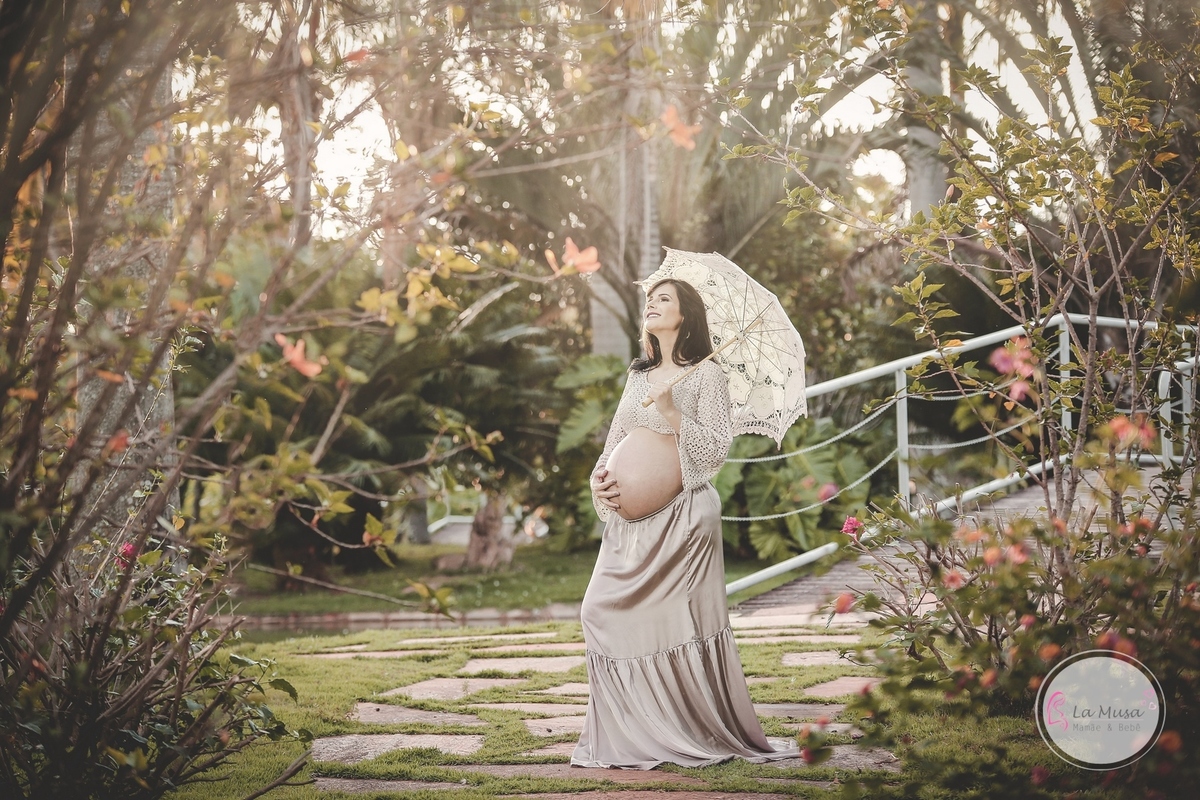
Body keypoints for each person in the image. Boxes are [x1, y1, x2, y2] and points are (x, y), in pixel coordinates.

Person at [571, 278, 799, 770]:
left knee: (679, 623)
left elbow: (716, 449)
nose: (652, 305)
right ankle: (635, 728)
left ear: (686, 315)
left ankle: (686, 726)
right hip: (631, 527)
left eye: (665, 299)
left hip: (684, 520)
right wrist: (601, 484)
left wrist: (674, 414)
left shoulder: (706, 376)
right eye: (650, 300)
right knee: (597, 610)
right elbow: (614, 442)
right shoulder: (639, 376)